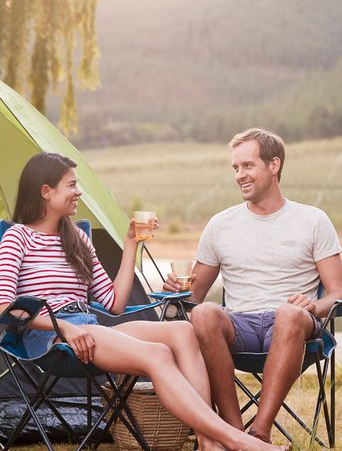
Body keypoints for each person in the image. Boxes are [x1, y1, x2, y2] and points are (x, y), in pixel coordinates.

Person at [0, 152, 291, 451]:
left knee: (182, 331)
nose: (79, 192)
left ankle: (208, 444)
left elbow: (113, 304)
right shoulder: (17, 238)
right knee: (158, 355)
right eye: (71, 185)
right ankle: (236, 441)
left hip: (87, 326)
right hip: (51, 337)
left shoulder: (77, 239)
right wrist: (64, 328)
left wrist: (130, 244)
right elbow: (5, 308)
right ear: (46, 191)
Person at [163, 128, 342, 443]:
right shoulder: (220, 225)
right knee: (204, 314)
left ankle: (259, 432)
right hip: (239, 325)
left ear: (274, 166)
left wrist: (314, 306)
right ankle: (234, 433)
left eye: (247, 166)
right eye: (235, 168)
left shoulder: (313, 220)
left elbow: (337, 292)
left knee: (288, 313)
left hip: (292, 326)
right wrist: (174, 290)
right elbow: (193, 297)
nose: (239, 175)